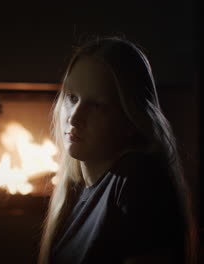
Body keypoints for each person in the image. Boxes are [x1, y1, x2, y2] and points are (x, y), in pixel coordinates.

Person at [37, 36, 198, 264]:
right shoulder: (79, 190)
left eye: (97, 105)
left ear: (131, 120)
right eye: (72, 97)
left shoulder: (139, 180)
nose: (74, 117)